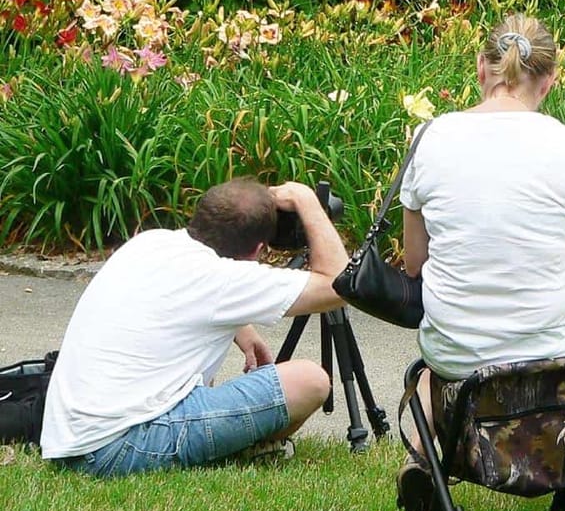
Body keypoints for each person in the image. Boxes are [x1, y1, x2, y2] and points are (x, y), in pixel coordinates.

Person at [395, 14, 565, 511]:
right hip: (549, 351)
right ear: (549, 81)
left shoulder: (429, 137)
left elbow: (415, 263)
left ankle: (421, 455)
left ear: (482, 67)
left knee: (456, 347)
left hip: (456, 349)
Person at [40, 178, 350, 477]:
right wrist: (307, 202)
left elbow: (182, 294)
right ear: (258, 250)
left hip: (67, 437)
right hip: (118, 447)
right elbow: (340, 285)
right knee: (310, 380)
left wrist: (243, 329)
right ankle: (250, 449)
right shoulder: (222, 279)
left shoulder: (152, 242)